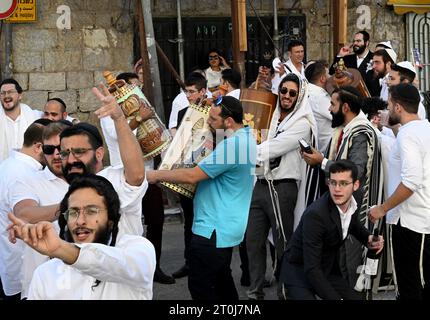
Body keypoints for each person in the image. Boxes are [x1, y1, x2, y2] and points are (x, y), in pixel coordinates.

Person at [147, 96, 256, 300]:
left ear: (229, 121)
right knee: (223, 286)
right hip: (223, 227)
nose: (208, 122)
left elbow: (192, 175)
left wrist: (155, 175)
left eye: (213, 119)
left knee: (202, 290)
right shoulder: (245, 136)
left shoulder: (232, 146)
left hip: (213, 229)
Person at [8, 174, 156, 300]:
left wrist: (61, 248)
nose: (80, 221)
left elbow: (118, 264)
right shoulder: (45, 273)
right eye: (73, 212)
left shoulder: (137, 249)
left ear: (111, 219)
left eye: (91, 211)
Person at [246, 73, 318, 300]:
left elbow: (273, 147)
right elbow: (252, 131)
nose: (286, 96)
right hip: (259, 183)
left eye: (292, 93)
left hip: (283, 187)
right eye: (283, 91)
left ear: (300, 96)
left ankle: (285, 291)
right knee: (253, 240)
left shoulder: (303, 123)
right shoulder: (271, 114)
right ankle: (255, 291)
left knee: (283, 242)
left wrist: (240, 152)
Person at [303, 86, 383, 287]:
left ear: (345, 107)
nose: (329, 109)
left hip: (356, 213)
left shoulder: (361, 133)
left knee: (351, 269)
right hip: (340, 210)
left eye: (333, 104)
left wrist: (322, 162)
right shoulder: (343, 130)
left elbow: (356, 170)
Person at [280, 160, 384, 300]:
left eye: (343, 183)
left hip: (326, 269)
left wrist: (369, 239)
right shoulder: (316, 215)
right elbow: (312, 269)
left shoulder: (352, 201)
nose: (337, 189)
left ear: (355, 185)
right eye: (333, 183)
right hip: (300, 272)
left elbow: (352, 224)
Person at [369, 83, 430, 300]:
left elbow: (411, 181)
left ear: (398, 107)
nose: (386, 108)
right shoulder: (423, 128)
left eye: (389, 104)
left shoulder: (408, 136)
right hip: (419, 221)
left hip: (411, 223)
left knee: (410, 287)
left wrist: (382, 209)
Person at [0, 123, 45, 300]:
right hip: (21, 268)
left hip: (11, 262)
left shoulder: (9, 164)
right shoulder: (22, 174)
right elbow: (25, 214)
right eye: (51, 148)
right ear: (38, 146)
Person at [0, 78, 41, 163]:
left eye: (10, 92)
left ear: (20, 95)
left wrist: (74, 121)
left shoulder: (34, 116)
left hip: (28, 171)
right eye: (2, 93)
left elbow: (55, 115)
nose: (6, 96)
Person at [304, 60, 333, 153]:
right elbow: (342, 116)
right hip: (327, 150)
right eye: (329, 74)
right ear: (323, 78)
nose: (331, 77)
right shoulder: (319, 97)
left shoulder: (308, 90)